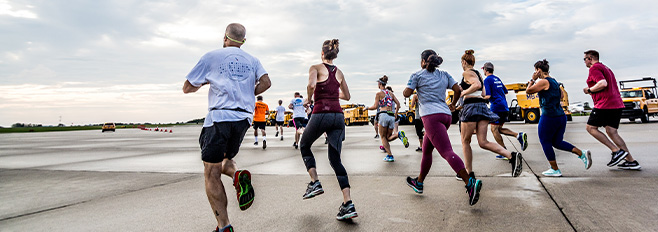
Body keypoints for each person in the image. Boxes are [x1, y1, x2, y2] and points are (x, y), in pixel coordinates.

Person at [182, 23, 270, 232]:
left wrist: (205, 83)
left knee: (211, 172)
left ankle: (224, 226)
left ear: (225, 38)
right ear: (243, 41)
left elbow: (187, 87)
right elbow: (266, 82)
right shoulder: (253, 60)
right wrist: (249, 92)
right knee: (225, 160)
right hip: (243, 119)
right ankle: (237, 175)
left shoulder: (211, 56)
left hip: (219, 117)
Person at [403, 49, 482, 205]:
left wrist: (411, 86)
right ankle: (419, 183)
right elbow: (458, 89)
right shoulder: (444, 74)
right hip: (446, 115)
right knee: (426, 150)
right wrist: (453, 104)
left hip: (431, 117)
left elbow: (406, 93)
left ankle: (469, 183)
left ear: (423, 61)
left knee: (446, 152)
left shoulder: (417, 75)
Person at [299, 39, 357, 220]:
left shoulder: (315, 67)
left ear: (322, 54)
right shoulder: (339, 73)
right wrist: (332, 93)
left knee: (304, 145)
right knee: (335, 160)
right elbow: (347, 96)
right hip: (338, 117)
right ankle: (348, 204)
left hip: (321, 113)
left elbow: (311, 85)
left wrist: (309, 98)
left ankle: (315, 182)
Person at [458, 50, 522, 180]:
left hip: (471, 107)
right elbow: (483, 92)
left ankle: (468, 173)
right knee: (483, 142)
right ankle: (511, 156)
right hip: (482, 107)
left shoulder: (467, 73)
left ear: (464, 62)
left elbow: (476, 85)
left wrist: (464, 93)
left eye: (461, 62)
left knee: (465, 141)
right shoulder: (479, 75)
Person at [526, 59, 592, 177]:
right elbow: (561, 95)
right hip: (561, 116)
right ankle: (581, 153)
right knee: (557, 142)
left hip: (549, 116)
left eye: (536, 70)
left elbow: (528, 91)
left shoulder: (543, 82)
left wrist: (532, 80)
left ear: (539, 70)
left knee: (545, 141)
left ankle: (554, 169)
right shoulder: (555, 81)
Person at [583, 50, 641, 170]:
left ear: (590, 58)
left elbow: (602, 83)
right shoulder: (606, 68)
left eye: (585, 59)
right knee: (611, 131)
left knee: (590, 128)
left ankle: (616, 151)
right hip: (616, 104)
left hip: (605, 104)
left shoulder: (595, 68)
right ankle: (631, 161)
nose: (584, 62)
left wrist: (589, 90)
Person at [481, 62, 528, 159]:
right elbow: (505, 91)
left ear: (485, 70)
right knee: (498, 129)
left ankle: (504, 152)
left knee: (494, 130)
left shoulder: (487, 80)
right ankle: (518, 135)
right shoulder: (497, 79)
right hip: (504, 106)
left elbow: (488, 96)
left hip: (496, 107)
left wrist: (479, 98)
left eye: (483, 70)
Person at [366, 75, 409, 162]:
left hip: (383, 115)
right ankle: (398, 134)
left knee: (382, 137)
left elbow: (375, 106)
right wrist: (396, 113)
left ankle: (390, 155)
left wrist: (367, 108)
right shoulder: (391, 94)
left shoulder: (379, 94)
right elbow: (398, 104)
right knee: (388, 137)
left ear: (379, 84)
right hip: (391, 116)